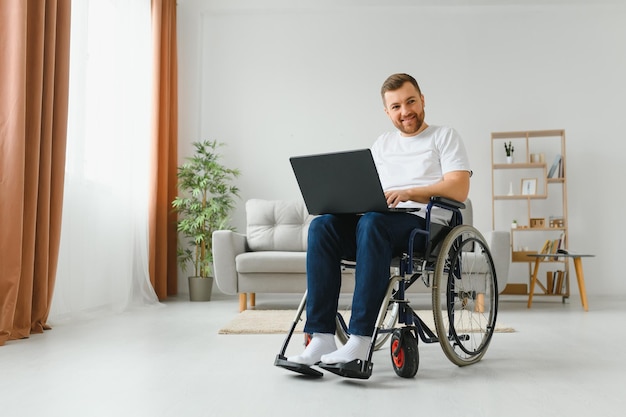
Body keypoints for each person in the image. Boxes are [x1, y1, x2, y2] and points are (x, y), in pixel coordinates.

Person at [287, 73, 471, 366]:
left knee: (372, 222)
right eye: (396, 106)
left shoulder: (443, 136)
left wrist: (410, 192)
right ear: (387, 112)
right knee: (322, 226)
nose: (405, 111)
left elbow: (459, 188)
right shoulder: (382, 144)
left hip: (423, 225)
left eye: (410, 102)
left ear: (422, 100)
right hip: (378, 221)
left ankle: (359, 340)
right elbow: (366, 188)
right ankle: (321, 337)